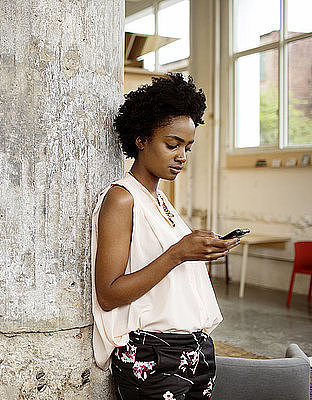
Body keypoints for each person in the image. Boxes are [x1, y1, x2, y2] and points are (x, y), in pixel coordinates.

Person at [91, 73, 239, 400]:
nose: (181, 156)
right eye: (172, 144)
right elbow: (109, 293)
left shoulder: (160, 201)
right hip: (154, 356)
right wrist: (178, 253)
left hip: (193, 350)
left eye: (187, 147)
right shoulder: (122, 198)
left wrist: (201, 250)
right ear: (141, 139)